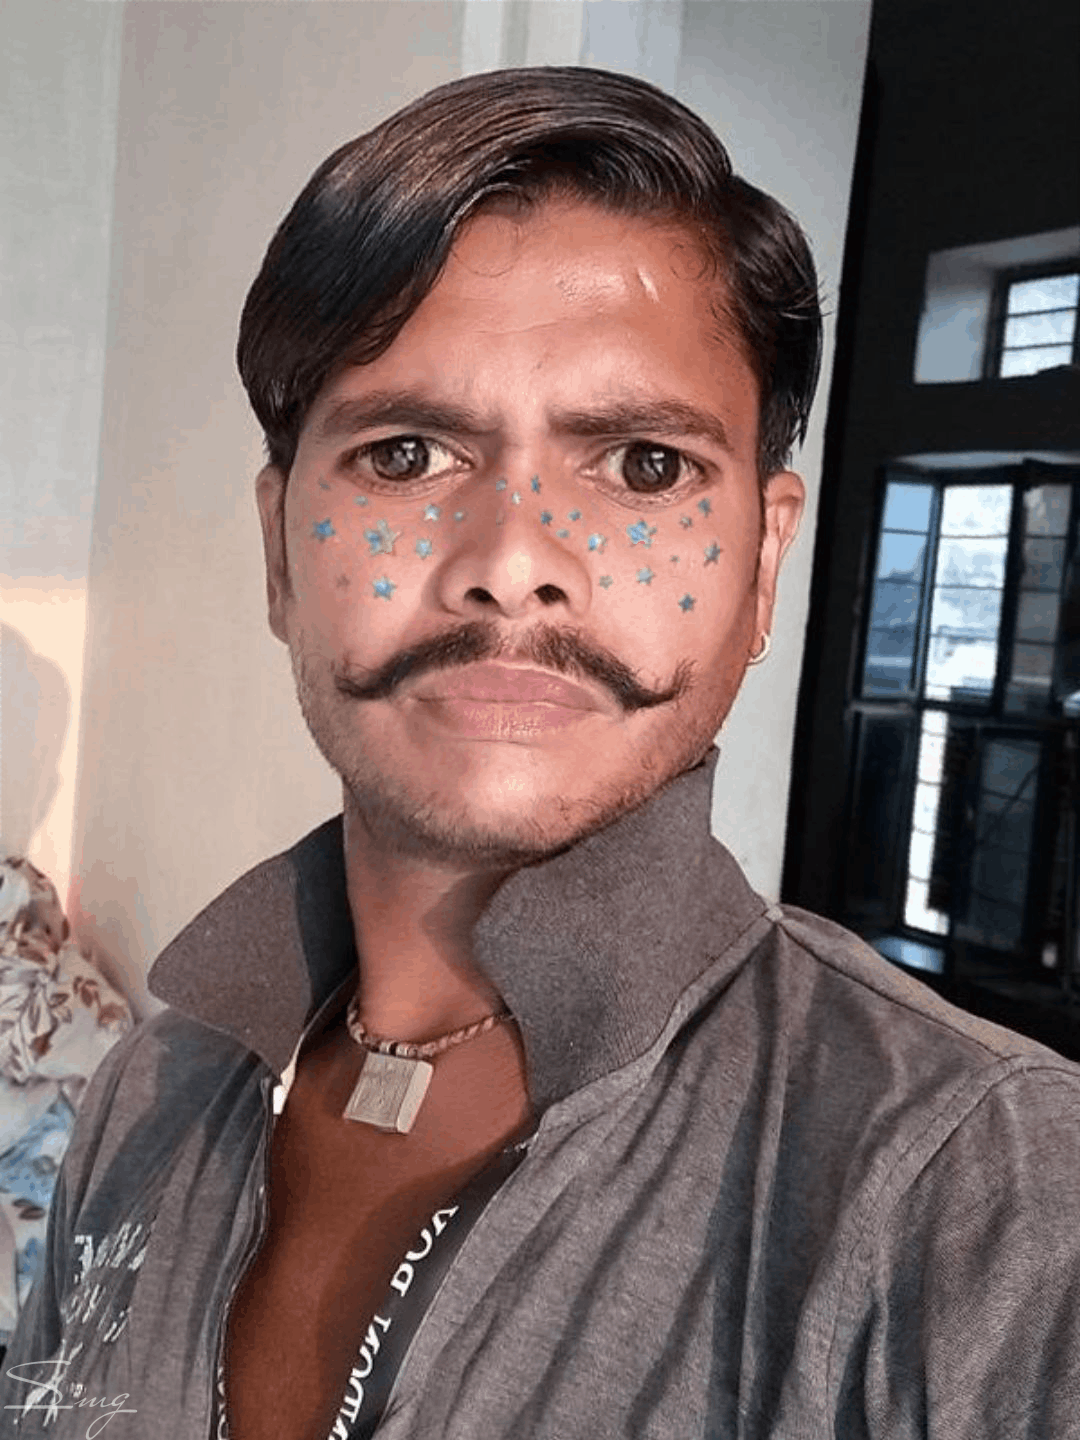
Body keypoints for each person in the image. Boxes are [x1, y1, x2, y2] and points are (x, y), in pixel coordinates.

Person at [2, 66, 1078, 1440]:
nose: (512, 562)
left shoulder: (992, 1199)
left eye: (643, 467)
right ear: (278, 552)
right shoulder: (153, 1092)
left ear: (764, 566)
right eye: (406, 456)